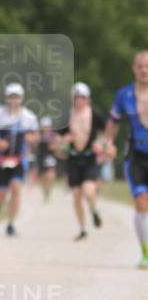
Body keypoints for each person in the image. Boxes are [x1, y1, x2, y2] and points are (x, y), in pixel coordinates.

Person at [103, 50, 148, 269]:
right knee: (141, 202)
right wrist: (108, 143)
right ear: (134, 69)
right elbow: (113, 121)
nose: (144, 70)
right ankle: (146, 254)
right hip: (136, 155)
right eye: (140, 66)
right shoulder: (124, 94)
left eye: (147, 66)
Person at [0, 83, 39, 237]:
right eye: (11, 96)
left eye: (17, 97)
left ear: (22, 98)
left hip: (19, 159)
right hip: (2, 159)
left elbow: (35, 135)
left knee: (15, 189)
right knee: (1, 193)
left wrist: (31, 139)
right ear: (6, 98)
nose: (14, 100)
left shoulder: (29, 117)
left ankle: (11, 223)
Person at [58, 82, 106, 241]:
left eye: (82, 98)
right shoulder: (67, 117)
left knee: (88, 190)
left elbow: (107, 134)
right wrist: (64, 141)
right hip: (73, 159)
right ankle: (83, 228)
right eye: (76, 98)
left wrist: (101, 144)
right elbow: (58, 139)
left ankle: (94, 210)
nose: (79, 101)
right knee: (76, 195)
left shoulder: (95, 115)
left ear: (87, 99)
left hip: (90, 158)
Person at [36, 116, 58, 201]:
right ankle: (45, 192)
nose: (46, 128)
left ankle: (48, 190)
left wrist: (53, 146)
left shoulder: (53, 135)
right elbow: (35, 143)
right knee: (43, 177)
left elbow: (56, 146)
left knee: (51, 175)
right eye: (44, 126)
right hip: (41, 157)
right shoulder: (38, 134)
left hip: (50, 157)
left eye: (47, 126)